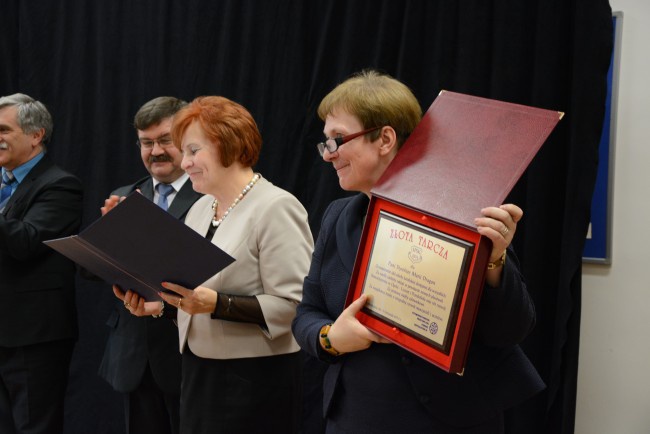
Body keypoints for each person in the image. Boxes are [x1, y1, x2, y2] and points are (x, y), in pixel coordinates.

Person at [291, 70, 545, 434]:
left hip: (449, 420)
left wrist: (494, 259)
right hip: (354, 418)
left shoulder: (460, 212)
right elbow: (306, 313)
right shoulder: (337, 218)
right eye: (326, 142)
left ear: (385, 138)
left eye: (338, 140)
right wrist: (330, 337)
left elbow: (510, 330)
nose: (328, 155)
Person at [117, 96, 314, 434]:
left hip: (254, 380)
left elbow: (295, 306)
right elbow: (195, 298)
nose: (186, 161)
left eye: (193, 150)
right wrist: (161, 307)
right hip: (198, 372)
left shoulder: (276, 206)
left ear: (230, 146)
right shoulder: (202, 207)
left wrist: (217, 304)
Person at [97, 96, 202, 434]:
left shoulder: (208, 197)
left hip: (188, 356)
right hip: (132, 357)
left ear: (186, 141)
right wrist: (109, 238)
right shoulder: (125, 195)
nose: (155, 151)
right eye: (146, 142)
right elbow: (91, 271)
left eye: (164, 140)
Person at [0, 93, 83, 433]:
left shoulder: (61, 185)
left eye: (3, 130)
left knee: (35, 427)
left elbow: (27, 242)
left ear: (36, 135)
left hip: (32, 336)